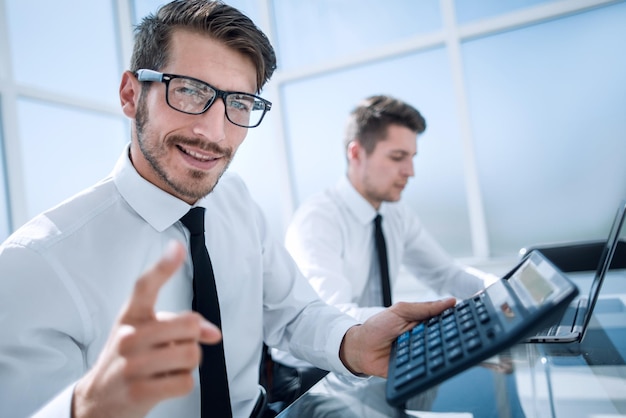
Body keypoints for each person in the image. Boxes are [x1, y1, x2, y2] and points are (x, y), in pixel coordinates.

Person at [0, 3, 456, 418]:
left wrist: (353, 342)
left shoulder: (233, 198)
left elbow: (293, 313)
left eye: (238, 103)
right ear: (131, 94)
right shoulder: (34, 264)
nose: (213, 132)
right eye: (190, 91)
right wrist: (84, 408)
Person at [269, 95, 497, 407]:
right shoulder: (317, 220)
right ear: (356, 153)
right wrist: (426, 323)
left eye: (412, 157)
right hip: (313, 375)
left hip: (375, 359)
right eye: (398, 157)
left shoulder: (395, 213)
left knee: (484, 389)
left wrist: (502, 291)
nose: (410, 171)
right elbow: (331, 315)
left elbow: (446, 274)